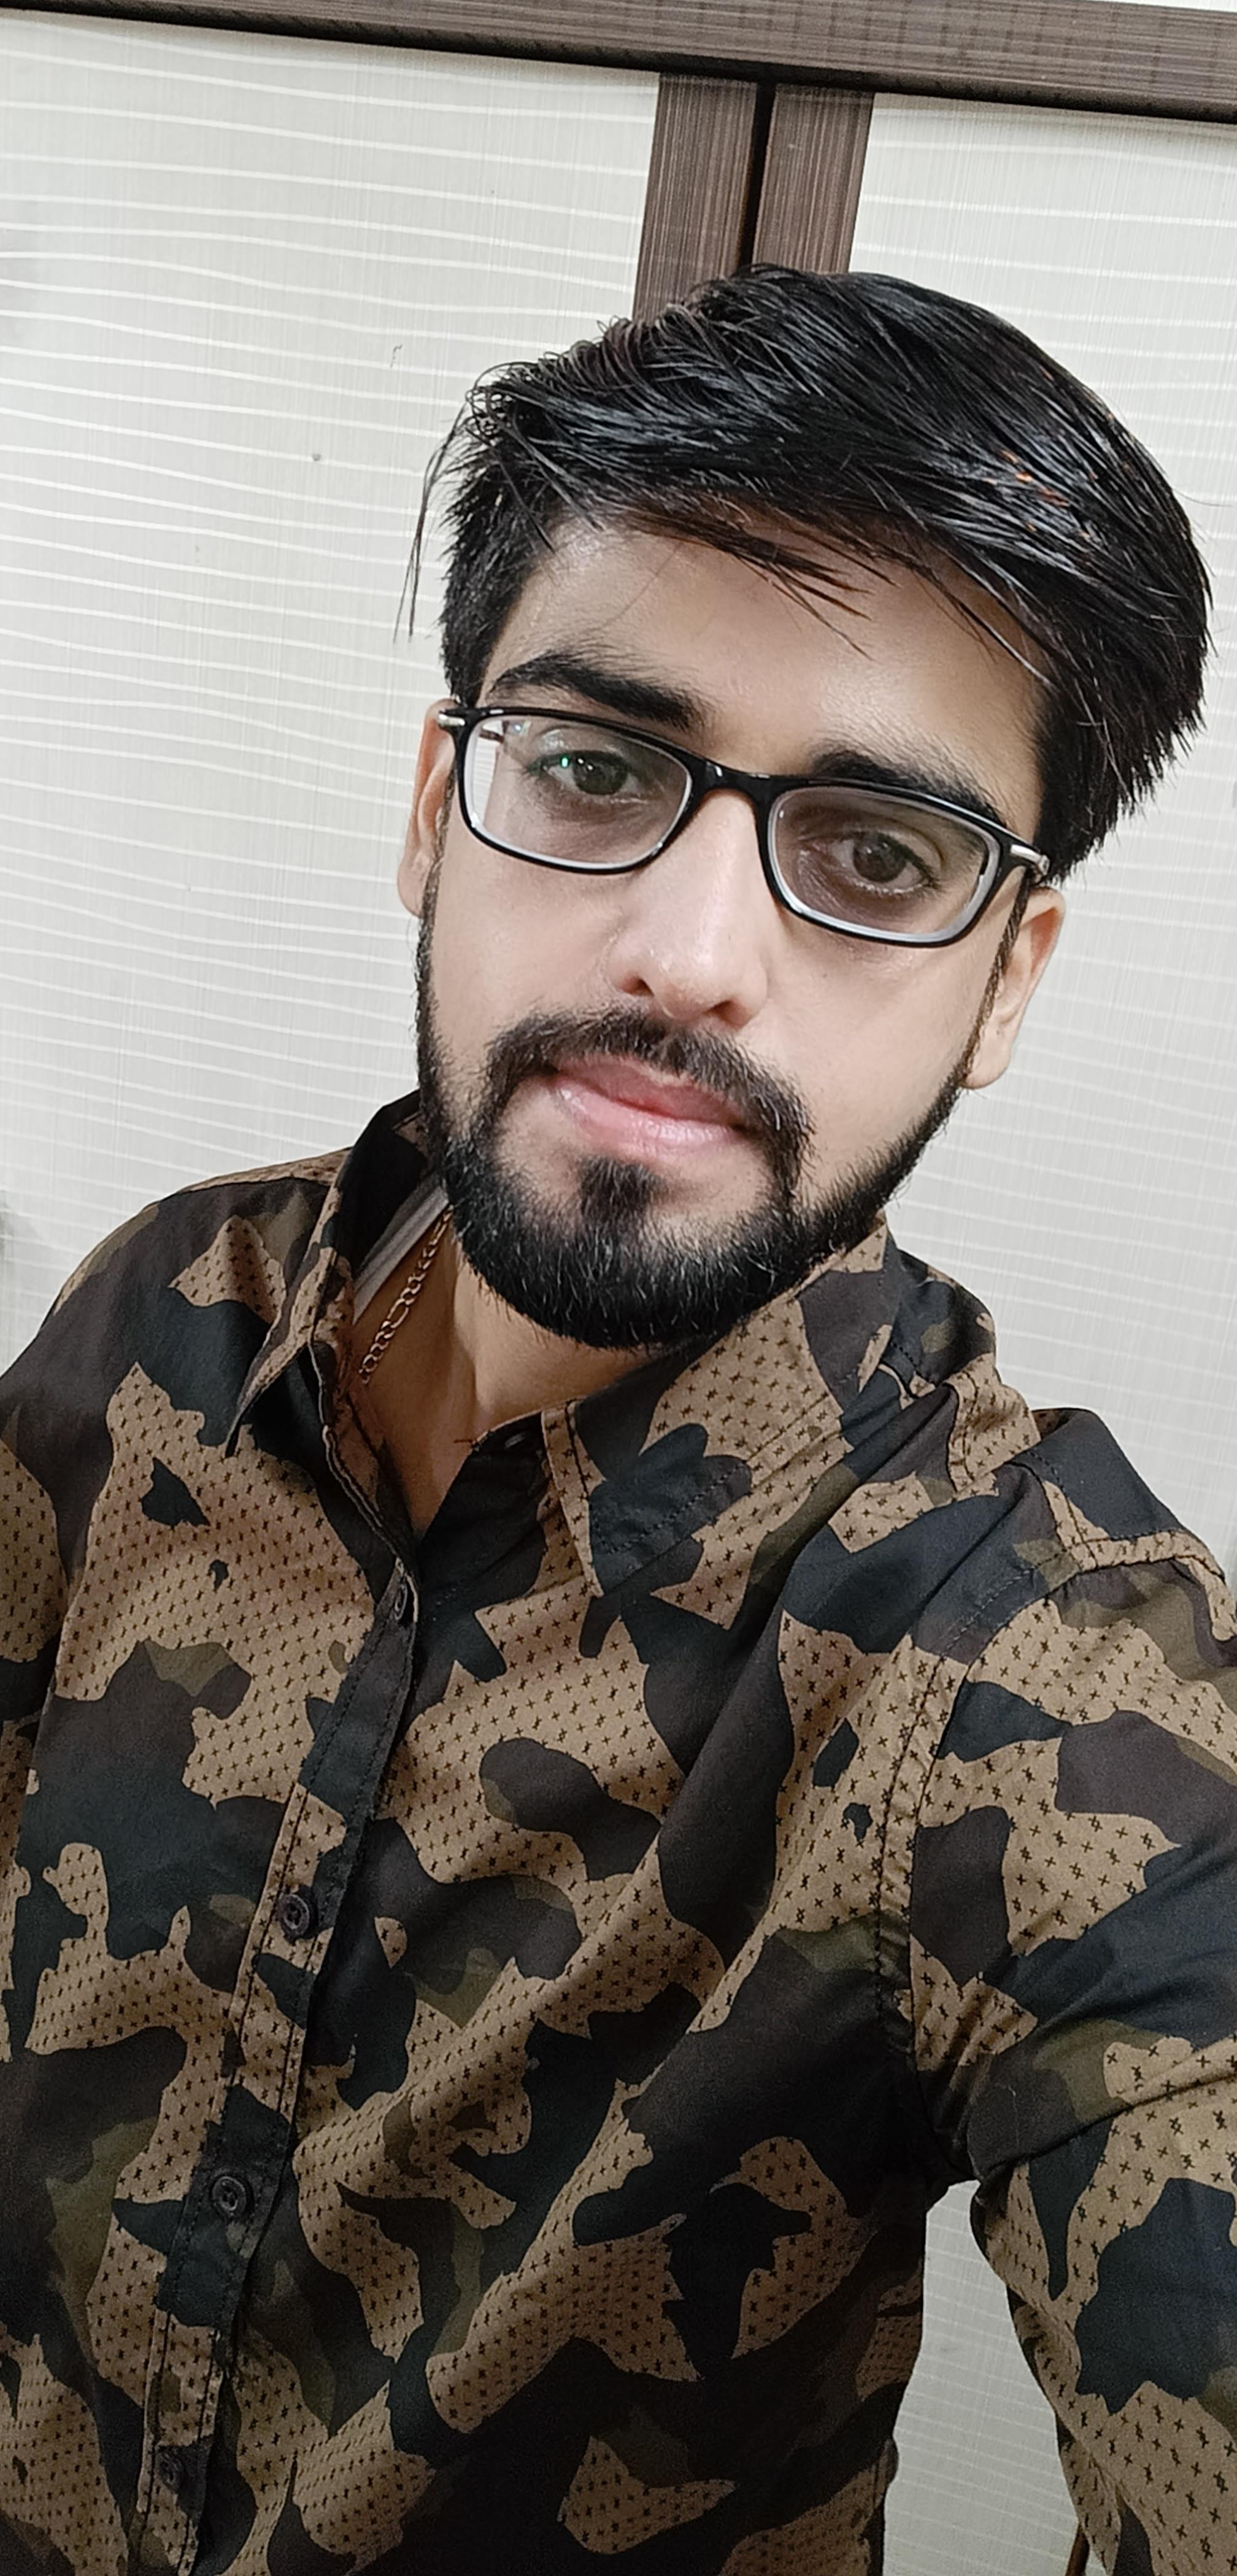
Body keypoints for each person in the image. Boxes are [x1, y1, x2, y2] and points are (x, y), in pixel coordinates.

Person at [1, 266, 1233, 2576]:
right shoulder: (164, 1311)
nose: (688, 954)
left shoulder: (1026, 1670)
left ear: (1007, 983)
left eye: (876, 856)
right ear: (434, 810)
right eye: (592, 769)